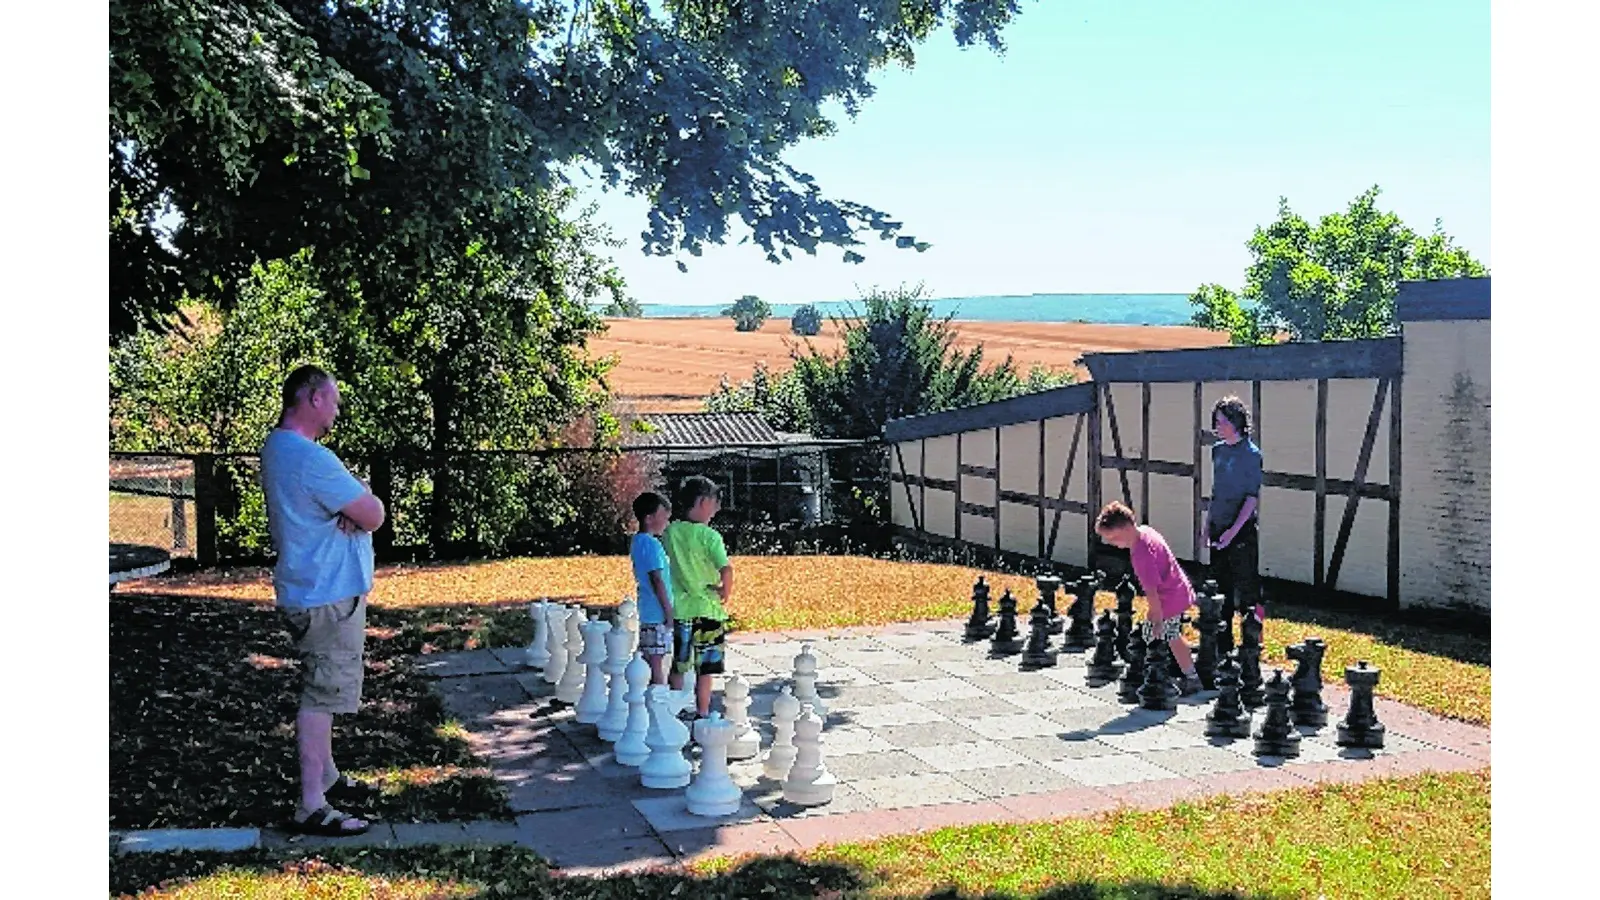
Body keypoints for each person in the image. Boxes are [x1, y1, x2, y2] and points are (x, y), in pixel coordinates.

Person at [260, 365, 387, 837]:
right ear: (312, 399)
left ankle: (329, 777)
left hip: (306, 586)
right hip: (327, 596)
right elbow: (372, 513)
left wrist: (349, 511)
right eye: (332, 399)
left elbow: (352, 511)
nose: (336, 408)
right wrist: (357, 511)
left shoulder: (278, 448)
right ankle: (311, 804)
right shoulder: (311, 458)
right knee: (322, 694)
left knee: (324, 684)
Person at [1094, 501, 1201, 696]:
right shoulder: (1145, 531)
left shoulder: (1140, 553)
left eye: (1114, 538)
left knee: (1169, 636)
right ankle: (1175, 670)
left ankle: (1191, 677)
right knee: (1165, 635)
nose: (1113, 544)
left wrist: (1156, 616)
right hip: (1178, 587)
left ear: (1126, 528)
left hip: (1169, 596)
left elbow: (1151, 591)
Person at [660, 475, 733, 720]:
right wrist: (725, 591)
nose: (717, 509)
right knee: (706, 669)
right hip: (709, 609)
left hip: (681, 610)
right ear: (702, 502)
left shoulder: (671, 532)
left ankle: (674, 711)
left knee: (679, 665)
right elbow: (726, 570)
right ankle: (703, 713)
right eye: (714, 503)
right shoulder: (711, 537)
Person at [1205, 396, 1264, 653]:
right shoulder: (1217, 450)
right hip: (1219, 526)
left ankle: (1253, 641)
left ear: (1236, 422)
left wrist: (1233, 531)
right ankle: (1222, 642)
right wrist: (1207, 526)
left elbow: (1252, 498)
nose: (1218, 426)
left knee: (1248, 590)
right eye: (1215, 421)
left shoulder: (1251, 454)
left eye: (1222, 421)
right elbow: (1216, 491)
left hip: (1241, 530)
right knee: (1220, 588)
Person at [629, 491, 675, 686]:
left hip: (648, 610)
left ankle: (649, 703)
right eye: (663, 515)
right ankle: (657, 705)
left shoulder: (638, 541)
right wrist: (669, 612)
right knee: (656, 664)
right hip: (657, 613)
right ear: (649, 519)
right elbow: (657, 580)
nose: (666, 520)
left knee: (651, 661)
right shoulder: (652, 544)